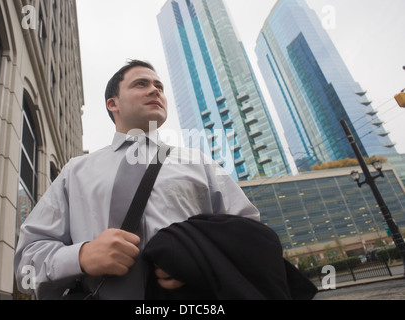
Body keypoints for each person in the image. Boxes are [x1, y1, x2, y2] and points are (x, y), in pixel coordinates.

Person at [14, 59, 260, 299]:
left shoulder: (200, 163)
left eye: (159, 86)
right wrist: (81, 256)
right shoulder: (74, 172)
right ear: (113, 104)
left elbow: (250, 235)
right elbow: (26, 263)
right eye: (141, 84)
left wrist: (202, 261)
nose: (155, 90)